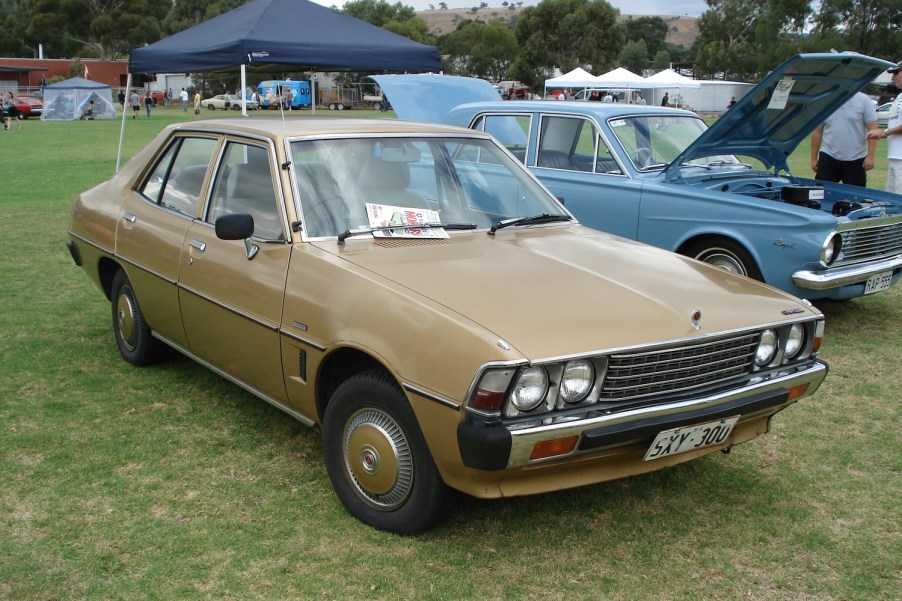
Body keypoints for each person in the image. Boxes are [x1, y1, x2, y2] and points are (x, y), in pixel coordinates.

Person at [811, 92, 878, 187]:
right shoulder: (825, 100)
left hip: (856, 159)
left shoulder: (864, 100)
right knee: (820, 194)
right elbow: (817, 131)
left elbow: (873, 130)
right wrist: (813, 158)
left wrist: (870, 156)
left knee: (856, 197)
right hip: (829, 156)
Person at [867, 60, 902, 193]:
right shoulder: (899, 96)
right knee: (892, 202)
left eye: (896, 73)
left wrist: (885, 132)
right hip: (894, 157)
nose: (893, 77)